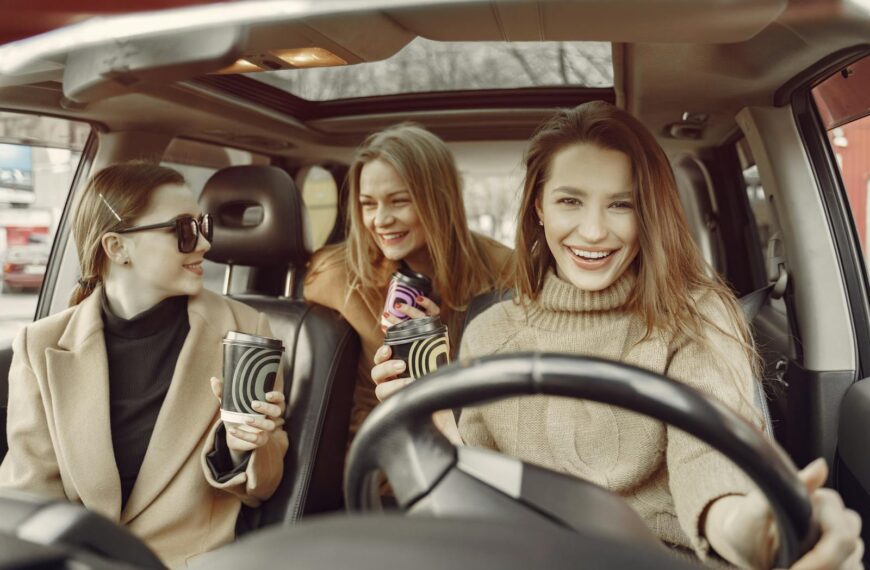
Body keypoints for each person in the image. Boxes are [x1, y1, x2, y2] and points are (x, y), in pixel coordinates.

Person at [372, 102, 863, 568]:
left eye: (621, 205)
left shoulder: (695, 318)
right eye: (570, 201)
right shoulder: (489, 332)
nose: (592, 231)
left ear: (646, 212)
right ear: (538, 207)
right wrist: (435, 435)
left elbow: (712, 471)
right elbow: (480, 503)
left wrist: (756, 531)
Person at [0, 162, 288, 568]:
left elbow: (264, 485)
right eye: (184, 230)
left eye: (203, 226)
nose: (204, 244)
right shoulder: (40, 345)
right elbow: (30, 494)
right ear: (117, 247)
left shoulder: (243, 330)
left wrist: (242, 450)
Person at [304, 123, 512, 436]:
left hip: (474, 441)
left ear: (439, 200)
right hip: (383, 446)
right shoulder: (339, 276)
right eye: (368, 204)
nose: (380, 220)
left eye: (399, 201)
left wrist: (440, 353)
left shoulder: (503, 271)